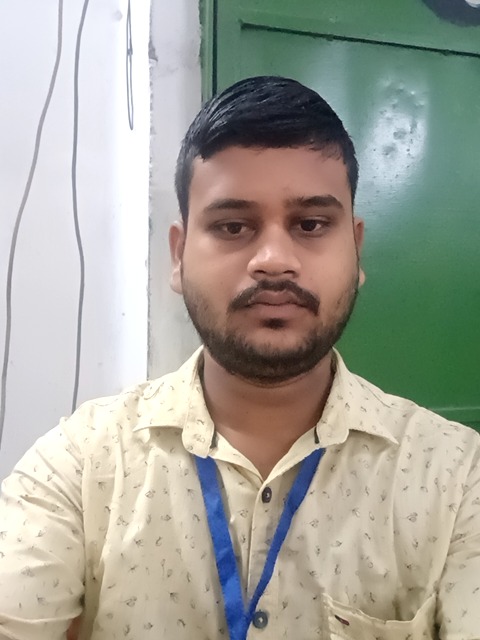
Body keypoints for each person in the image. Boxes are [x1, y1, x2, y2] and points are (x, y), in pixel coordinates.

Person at [0, 76, 479, 640]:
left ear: (356, 250)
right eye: (233, 226)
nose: (274, 260)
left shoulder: (456, 478)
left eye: (310, 225)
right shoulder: (80, 465)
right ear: (179, 255)